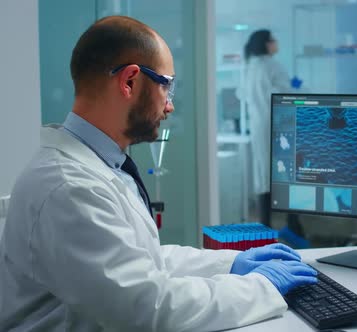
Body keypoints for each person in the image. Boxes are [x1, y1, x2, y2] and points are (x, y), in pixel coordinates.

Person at [0, 16, 317, 332]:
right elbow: (148, 308)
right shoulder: (68, 188)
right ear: (130, 82)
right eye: (167, 85)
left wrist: (231, 263)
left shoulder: (97, 164)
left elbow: (140, 262)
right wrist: (262, 286)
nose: (170, 106)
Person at [240, 29, 302, 229]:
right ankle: (293, 225)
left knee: (263, 174)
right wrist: (297, 87)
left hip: (258, 125)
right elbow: (287, 94)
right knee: (285, 174)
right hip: (277, 125)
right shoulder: (273, 66)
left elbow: (241, 94)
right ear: (267, 44)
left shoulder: (250, 67)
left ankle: (265, 225)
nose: (277, 43)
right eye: (273, 40)